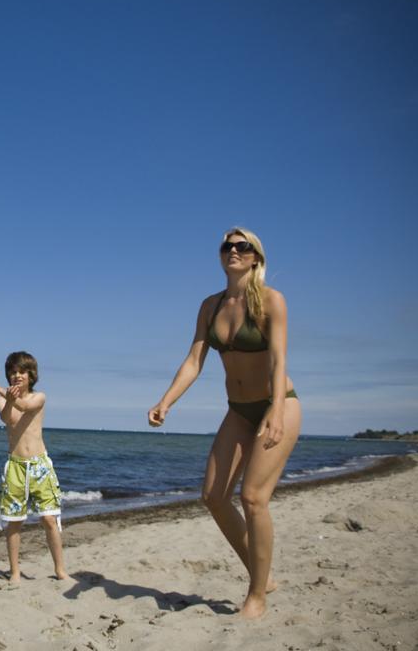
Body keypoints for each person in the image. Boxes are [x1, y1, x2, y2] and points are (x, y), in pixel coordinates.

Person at [147, 227, 301, 619]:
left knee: (253, 499)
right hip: (238, 409)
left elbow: (280, 360)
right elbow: (194, 360)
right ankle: (261, 574)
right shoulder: (210, 306)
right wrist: (166, 401)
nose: (233, 251)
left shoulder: (272, 301)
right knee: (214, 497)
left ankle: (257, 596)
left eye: (242, 246)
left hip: (276, 403)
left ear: (255, 257)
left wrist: (277, 412)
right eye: (227, 246)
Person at [0, 351, 68, 585]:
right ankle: (15, 572)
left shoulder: (39, 396)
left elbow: (26, 406)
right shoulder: (2, 400)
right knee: (14, 521)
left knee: (50, 519)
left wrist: (1, 389)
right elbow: (8, 419)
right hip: (15, 467)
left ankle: (60, 570)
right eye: (12, 372)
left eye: (21, 372)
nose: (17, 376)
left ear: (32, 375)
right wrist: (5, 396)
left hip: (40, 465)